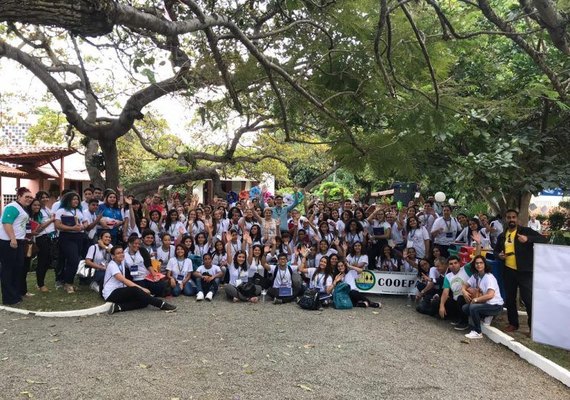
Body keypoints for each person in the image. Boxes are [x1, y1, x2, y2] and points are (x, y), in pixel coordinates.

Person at [494, 209, 547, 332]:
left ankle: (532, 328)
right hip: (508, 271)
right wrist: (499, 255)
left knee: (528, 300)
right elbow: (496, 251)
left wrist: (528, 239)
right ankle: (513, 324)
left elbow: (544, 240)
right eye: (508, 217)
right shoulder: (502, 235)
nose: (511, 219)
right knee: (510, 299)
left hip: (525, 271)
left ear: (517, 219)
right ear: (505, 219)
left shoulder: (525, 231)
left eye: (513, 217)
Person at [103, 246, 176, 314]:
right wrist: (142, 289)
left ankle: (118, 307)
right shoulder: (112, 265)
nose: (121, 254)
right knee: (135, 289)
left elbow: (135, 255)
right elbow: (124, 280)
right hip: (111, 293)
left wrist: (148, 255)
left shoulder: (121, 261)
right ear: (113, 256)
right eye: (118, 253)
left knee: (144, 300)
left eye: (122, 252)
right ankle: (161, 304)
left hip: (120, 291)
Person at [0, 188, 34, 305]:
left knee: (18, 268)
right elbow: (6, 222)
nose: (29, 199)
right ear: (19, 196)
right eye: (27, 196)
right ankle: (9, 298)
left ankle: (16, 294)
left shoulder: (21, 208)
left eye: (31, 197)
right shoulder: (12, 207)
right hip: (9, 242)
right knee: (8, 270)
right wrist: (12, 239)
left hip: (19, 241)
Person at [461, 255, 504, 339]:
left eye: (481, 263)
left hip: (495, 305)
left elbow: (490, 295)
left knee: (473, 307)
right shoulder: (476, 276)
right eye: (477, 263)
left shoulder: (489, 277)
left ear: (485, 264)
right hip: (485, 304)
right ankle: (486, 316)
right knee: (465, 307)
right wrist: (464, 292)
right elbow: (464, 285)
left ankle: (478, 332)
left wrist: (476, 299)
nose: (479, 265)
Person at [54, 191, 86, 294]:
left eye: (77, 199)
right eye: (73, 199)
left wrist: (83, 226)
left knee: (76, 259)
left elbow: (85, 222)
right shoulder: (61, 211)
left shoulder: (80, 210)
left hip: (79, 236)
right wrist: (71, 228)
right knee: (73, 259)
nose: (76, 201)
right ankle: (67, 283)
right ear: (68, 200)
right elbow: (58, 225)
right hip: (67, 236)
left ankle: (69, 282)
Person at [438, 255, 472, 330]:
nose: (453, 265)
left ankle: (464, 322)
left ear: (459, 263)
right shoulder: (448, 276)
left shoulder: (466, 269)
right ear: (448, 266)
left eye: (455, 263)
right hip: (456, 300)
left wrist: (478, 244)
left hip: (468, 297)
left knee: (460, 298)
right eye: (451, 264)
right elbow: (445, 291)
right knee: (444, 301)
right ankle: (457, 318)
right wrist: (441, 305)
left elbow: (476, 258)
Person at [34, 191, 57, 293]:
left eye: (46, 197)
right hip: (41, 237)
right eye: (42, 197)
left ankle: (40, 282)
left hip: (50, 237)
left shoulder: (47, 209)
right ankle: (40, 284)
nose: (45, 199)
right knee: (42, 261)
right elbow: (39, 227)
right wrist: (51, 220)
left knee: (48, 261)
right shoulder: (38, 211)